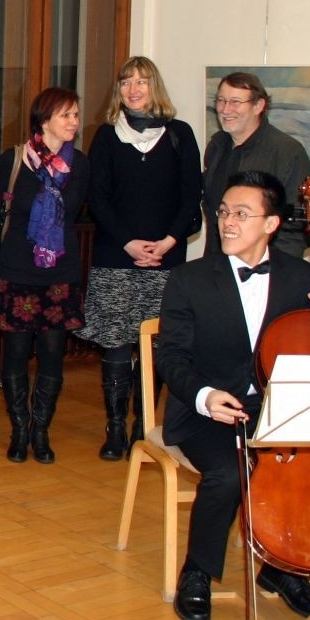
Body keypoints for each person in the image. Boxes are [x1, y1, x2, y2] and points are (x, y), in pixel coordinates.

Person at [157, 170, 310, 620]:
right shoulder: (189, 279)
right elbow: (170, 356)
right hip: (207, 409)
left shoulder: (302, 276)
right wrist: (205, 395)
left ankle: (283, 569)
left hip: (276, 409)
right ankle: (197, 571)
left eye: (241, 214)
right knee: (230, 472)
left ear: (271, 223)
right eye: (224, 211)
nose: (227, 222)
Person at [76, 57, 202, 460]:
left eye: (141, 81)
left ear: (154, 87)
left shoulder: (180, 134)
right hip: (116, 256)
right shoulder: (106, 136)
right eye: (126, 82)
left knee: (156, 348)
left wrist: (166, 242)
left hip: (167, 259)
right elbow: (97, 197)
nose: (133, 89)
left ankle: (142, 425)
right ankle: (115, 428)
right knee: (116, 344)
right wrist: (129, 243)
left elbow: (191, 196)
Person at [0, 87, 89, 466]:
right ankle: (19, 428)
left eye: (75, 115)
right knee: (15, 352)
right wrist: (1, 261)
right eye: (66, 115)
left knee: (51, 353)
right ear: (44, 120)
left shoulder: (79, 164)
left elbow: (74, 212)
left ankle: (41, 429)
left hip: (60, 271)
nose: (74, 122)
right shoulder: (13, 160)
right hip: (17, 269)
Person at [202, 71, 310, 258]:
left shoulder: (287, 151)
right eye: (221, 100)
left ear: (258, 106)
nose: (225, 109)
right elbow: (213, 213)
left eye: (235, 102)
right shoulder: (216, 146)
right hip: (217, 263)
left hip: (265, 265)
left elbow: (294, 227)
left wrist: (272, 268)